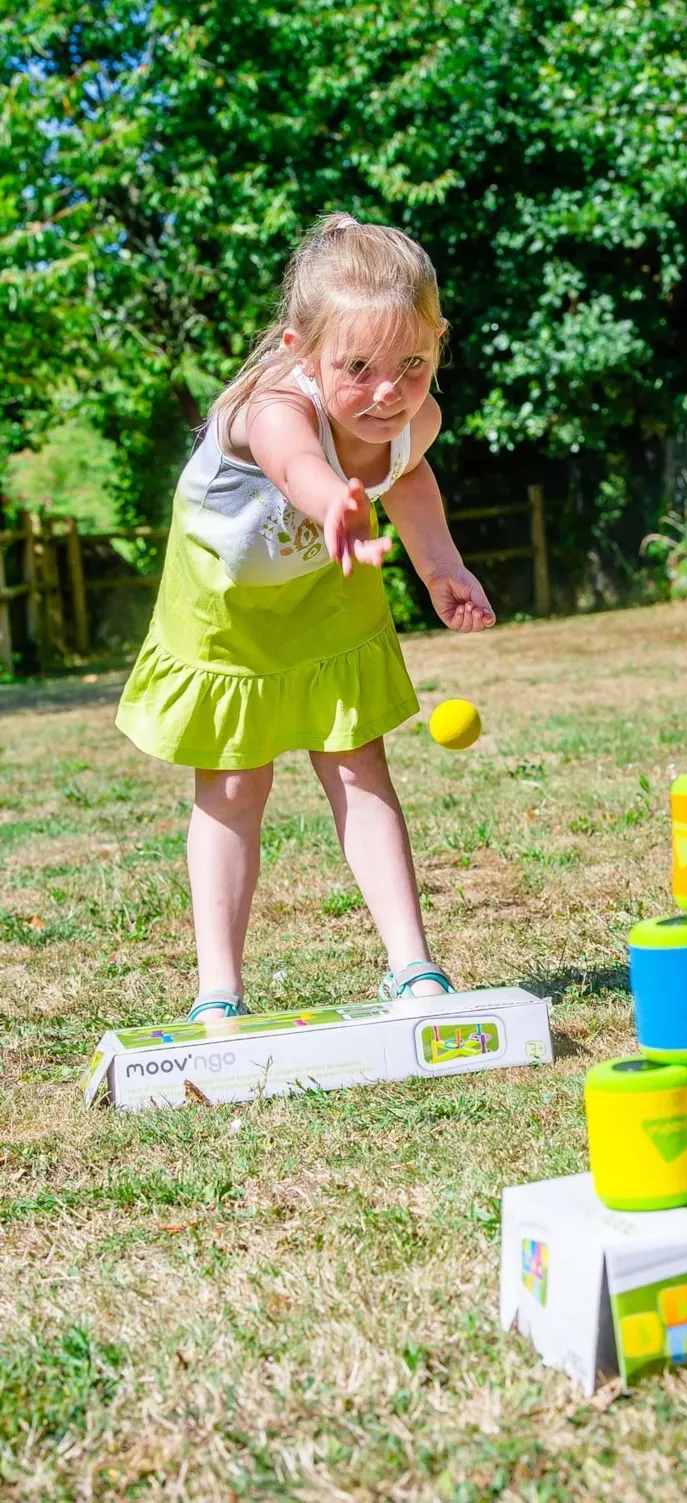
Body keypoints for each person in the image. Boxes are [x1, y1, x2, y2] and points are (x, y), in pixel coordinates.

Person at [116, 213, 495, 1022]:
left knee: (359, 763)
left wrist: (440, 565)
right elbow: (295, 462)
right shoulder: (273, 404)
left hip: (328, 586)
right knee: (233, 781)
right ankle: (219, 991)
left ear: (438, 344)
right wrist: (333, 503)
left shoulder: (415, 417)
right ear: (302, 350)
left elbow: (407, 473)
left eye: (413, 363)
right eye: (359, 367)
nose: (388, 391)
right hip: (224, 604)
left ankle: (413, 965)